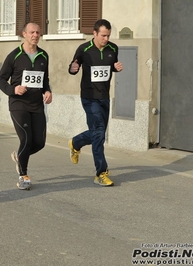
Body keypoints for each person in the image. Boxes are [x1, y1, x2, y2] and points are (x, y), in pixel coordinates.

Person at [0, 22, 53, 190]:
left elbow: (44, 79)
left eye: (38, 32)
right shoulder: (14, 56)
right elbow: (0, 79)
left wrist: (47, 91)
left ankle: (19, 156)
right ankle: (23, 175)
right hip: (18, 104)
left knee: (40, 142)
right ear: (24, 34)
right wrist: (13, 89)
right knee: (26, 139)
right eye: (32, 32)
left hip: (36, 105)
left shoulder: (44, 56)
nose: (35, 35)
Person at [68, 19, 123, 186]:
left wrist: (116, 67)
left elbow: (110, 66)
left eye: (108, 35)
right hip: (89, 97)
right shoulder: (83, 49)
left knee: (98, 133)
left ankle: (76, 142)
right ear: (94, 33)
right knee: (99, 133)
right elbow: (73, 66)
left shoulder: (113, 48)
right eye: (103, 35)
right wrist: (73, 68)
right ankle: (101, 172)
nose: (106, 39)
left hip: (104, 97)